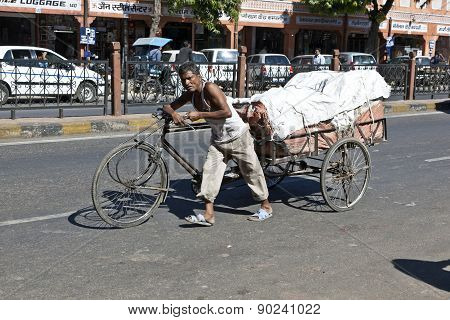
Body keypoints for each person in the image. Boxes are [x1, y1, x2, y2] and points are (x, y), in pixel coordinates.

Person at [162, 62, 273, 226]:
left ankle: (266, 206)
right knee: (209, 172)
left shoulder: (210, 88)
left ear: (198, 76)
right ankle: (209, 215)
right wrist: (173, 113)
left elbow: (226, 112)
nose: (187, 83)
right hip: (219, 140)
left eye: (190, 78)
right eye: (183, 80)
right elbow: (168, 106)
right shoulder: (190, 94)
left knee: (251, 171)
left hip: (237, 136)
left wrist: (199, 114)